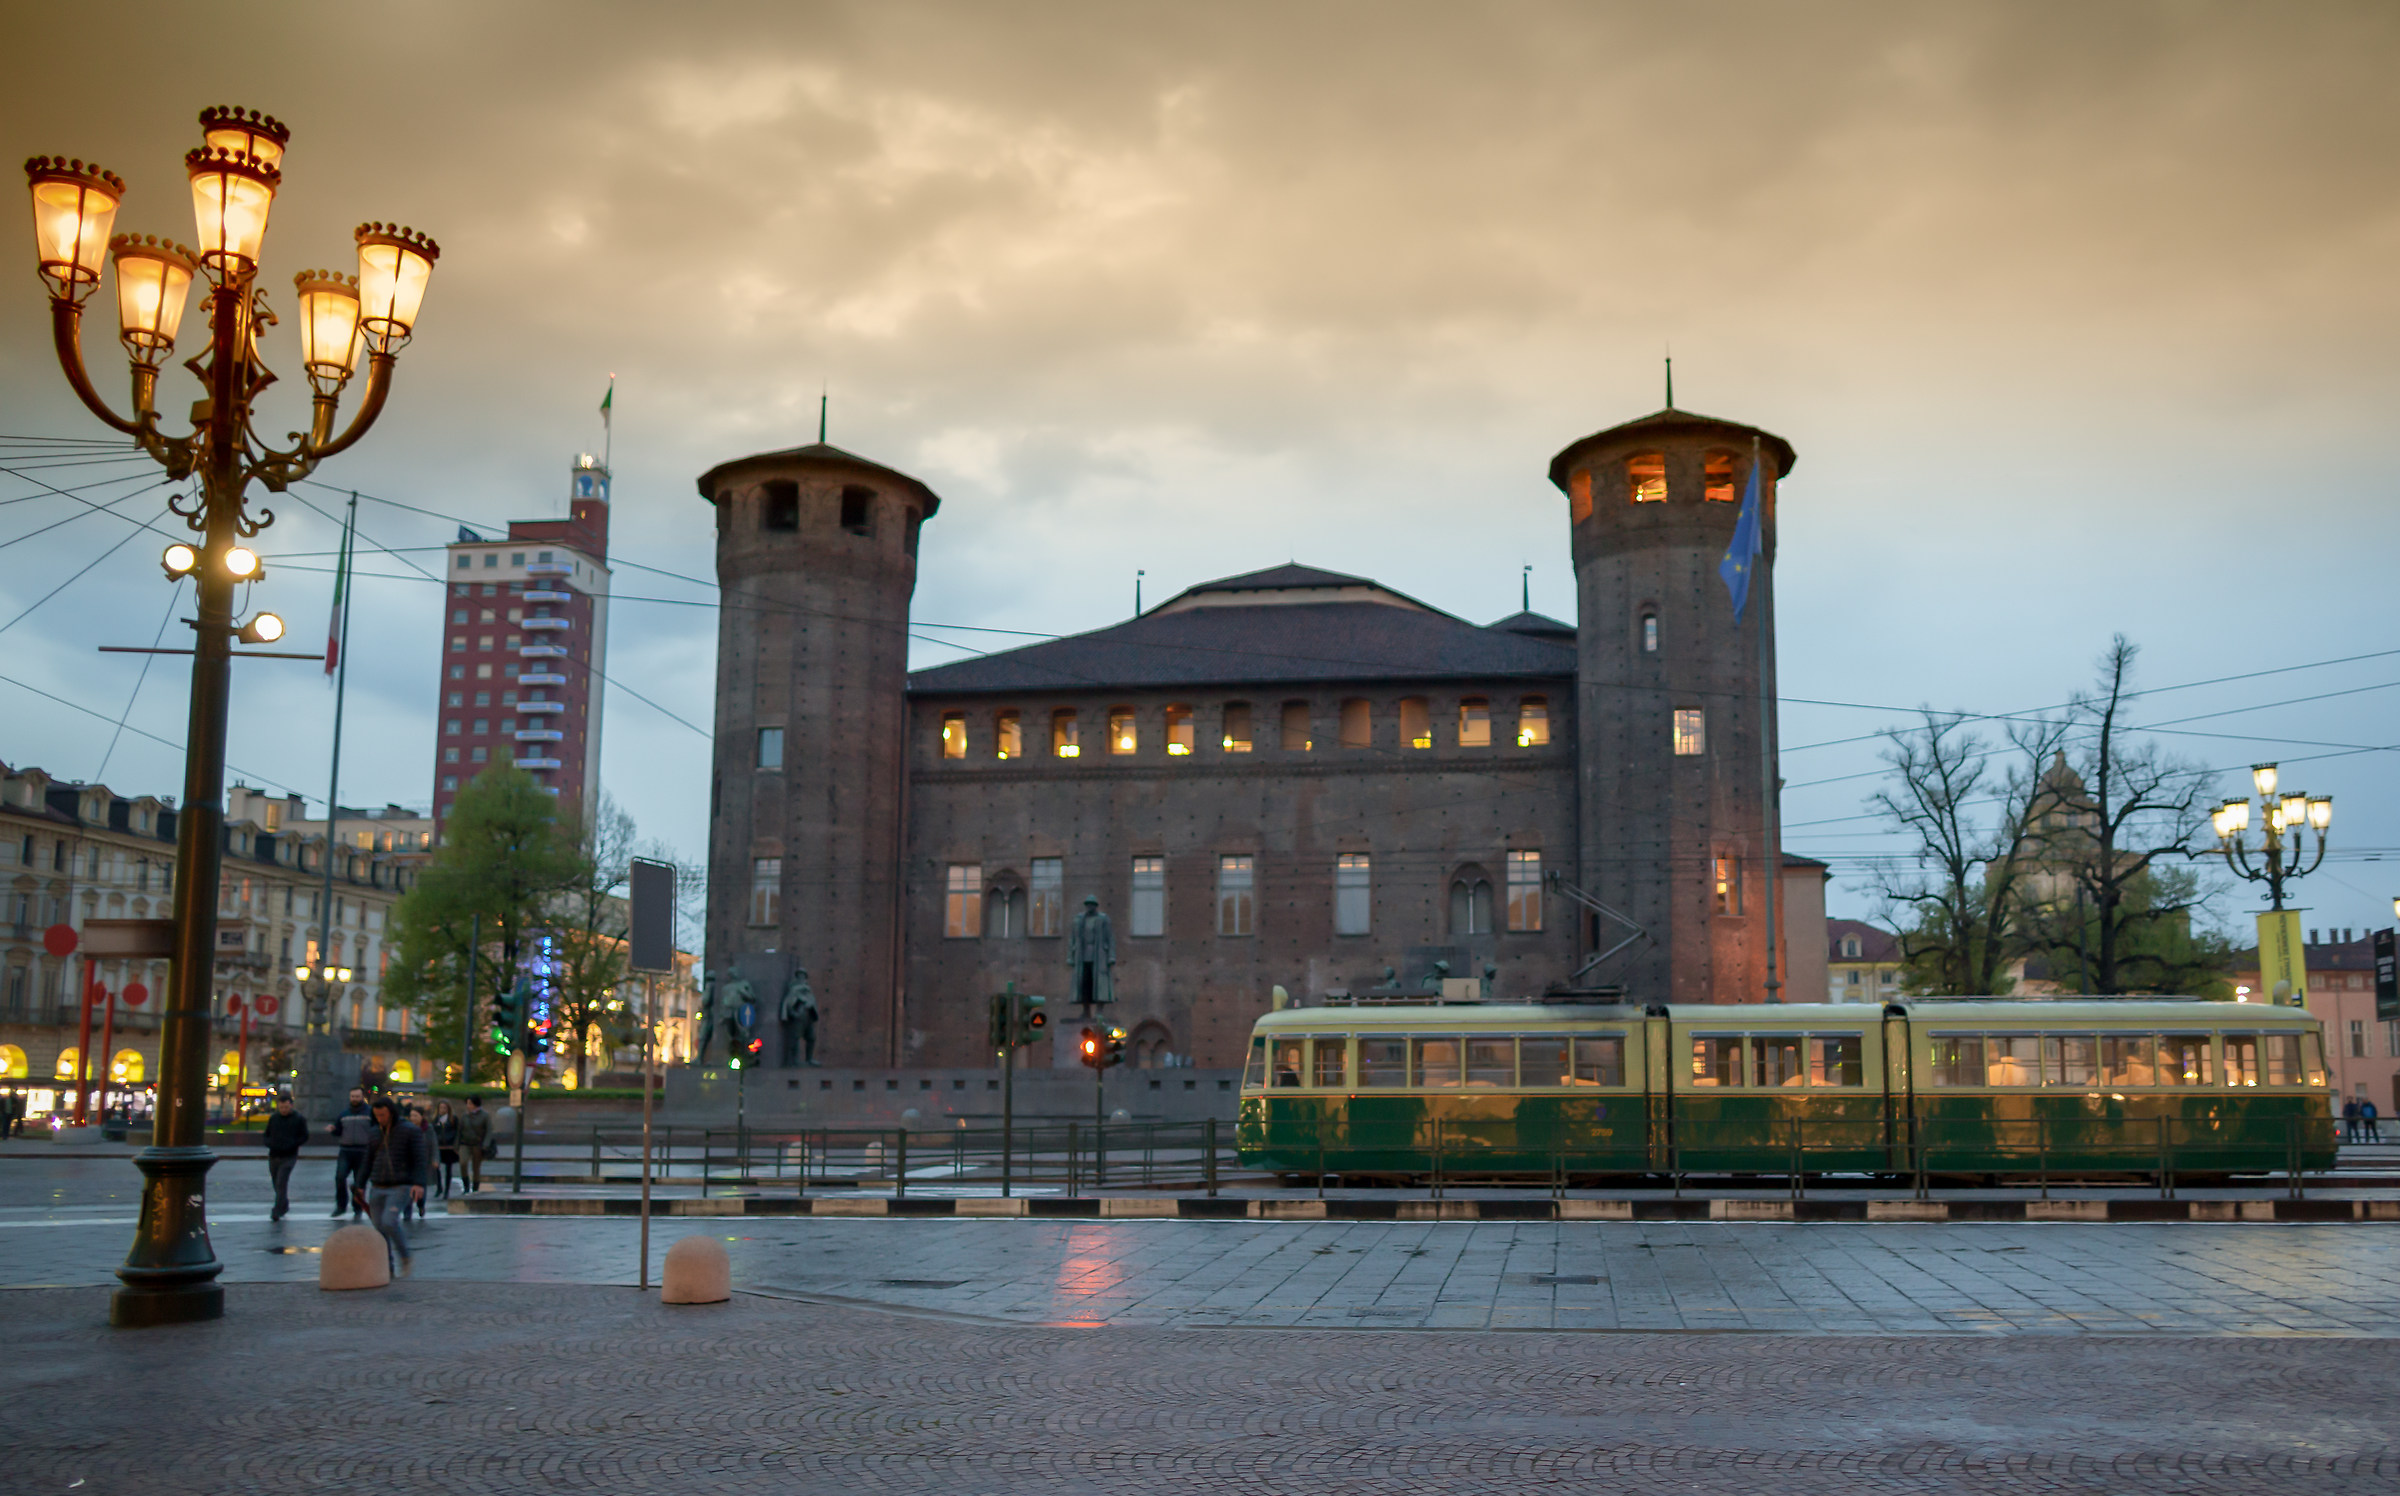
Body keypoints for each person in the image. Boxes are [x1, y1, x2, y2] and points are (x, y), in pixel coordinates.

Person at [361, 1096, 427, 1277]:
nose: (380, 1118)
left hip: (401, 1184)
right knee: (379, 1229)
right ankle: (387, 1267)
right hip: (378, 1184)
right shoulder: (375, 1132)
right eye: (377, 1115)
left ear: (391, 1112)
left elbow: (420, 1159)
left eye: (383, 1115)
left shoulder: (410, 1131)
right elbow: (368, 1160)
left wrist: (419, 1183)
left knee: (389, 1221)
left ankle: (405, 1256)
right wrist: (360, 1184)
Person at [328, 1087, 373, 1219]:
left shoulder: (370, 1113)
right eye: (352, 1096)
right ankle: (341, 1206)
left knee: (360, 1183)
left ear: (362, 1097)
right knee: (340, 1177)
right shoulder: (344, 1114)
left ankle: (357, 1207)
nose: (354, 1099)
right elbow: (338, 1131)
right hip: (346, 1151)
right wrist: (333, 1130)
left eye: (357, 1096)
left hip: (363, 1151)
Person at [262, 1093, 308, 1221]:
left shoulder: (299, 1119)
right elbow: (267, 1134)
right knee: (276, 1183)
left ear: (291, 1106)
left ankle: (277, 1209)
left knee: (281, 1182)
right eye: (281, 1107)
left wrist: (293, 1144)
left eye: (286, 1107)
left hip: (289, 1156)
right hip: (274, 1155)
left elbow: (304, 1136)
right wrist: (269, 1143)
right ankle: (284, 1204)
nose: (283, 1110)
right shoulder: (274, 1118)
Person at [456, 1094, 492, 1192]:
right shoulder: (465, 1115)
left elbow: (489, 1130)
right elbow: (459, 1130)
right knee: (463, 1162)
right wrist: (456, 1145)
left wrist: (485, 1144)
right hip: (465, 1143)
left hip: (477, 1144)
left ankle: (475, 1186)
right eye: (467, 1103)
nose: (468, 1106)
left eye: (470, 1103)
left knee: (476, 1167)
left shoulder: (484, 1115)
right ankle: (466, 1185)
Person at [432, 1100, 461, 1200]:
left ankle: (446, 1190)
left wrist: (455, 1145)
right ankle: (439, 1187)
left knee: (448, 1169)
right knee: (436, 1169)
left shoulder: (453, 1119)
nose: (442, 1110)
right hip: (439, 1147)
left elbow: (457, 1132)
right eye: (441, 1108)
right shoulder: (435, 1120)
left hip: (449, 1147)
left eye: (444, 1108)